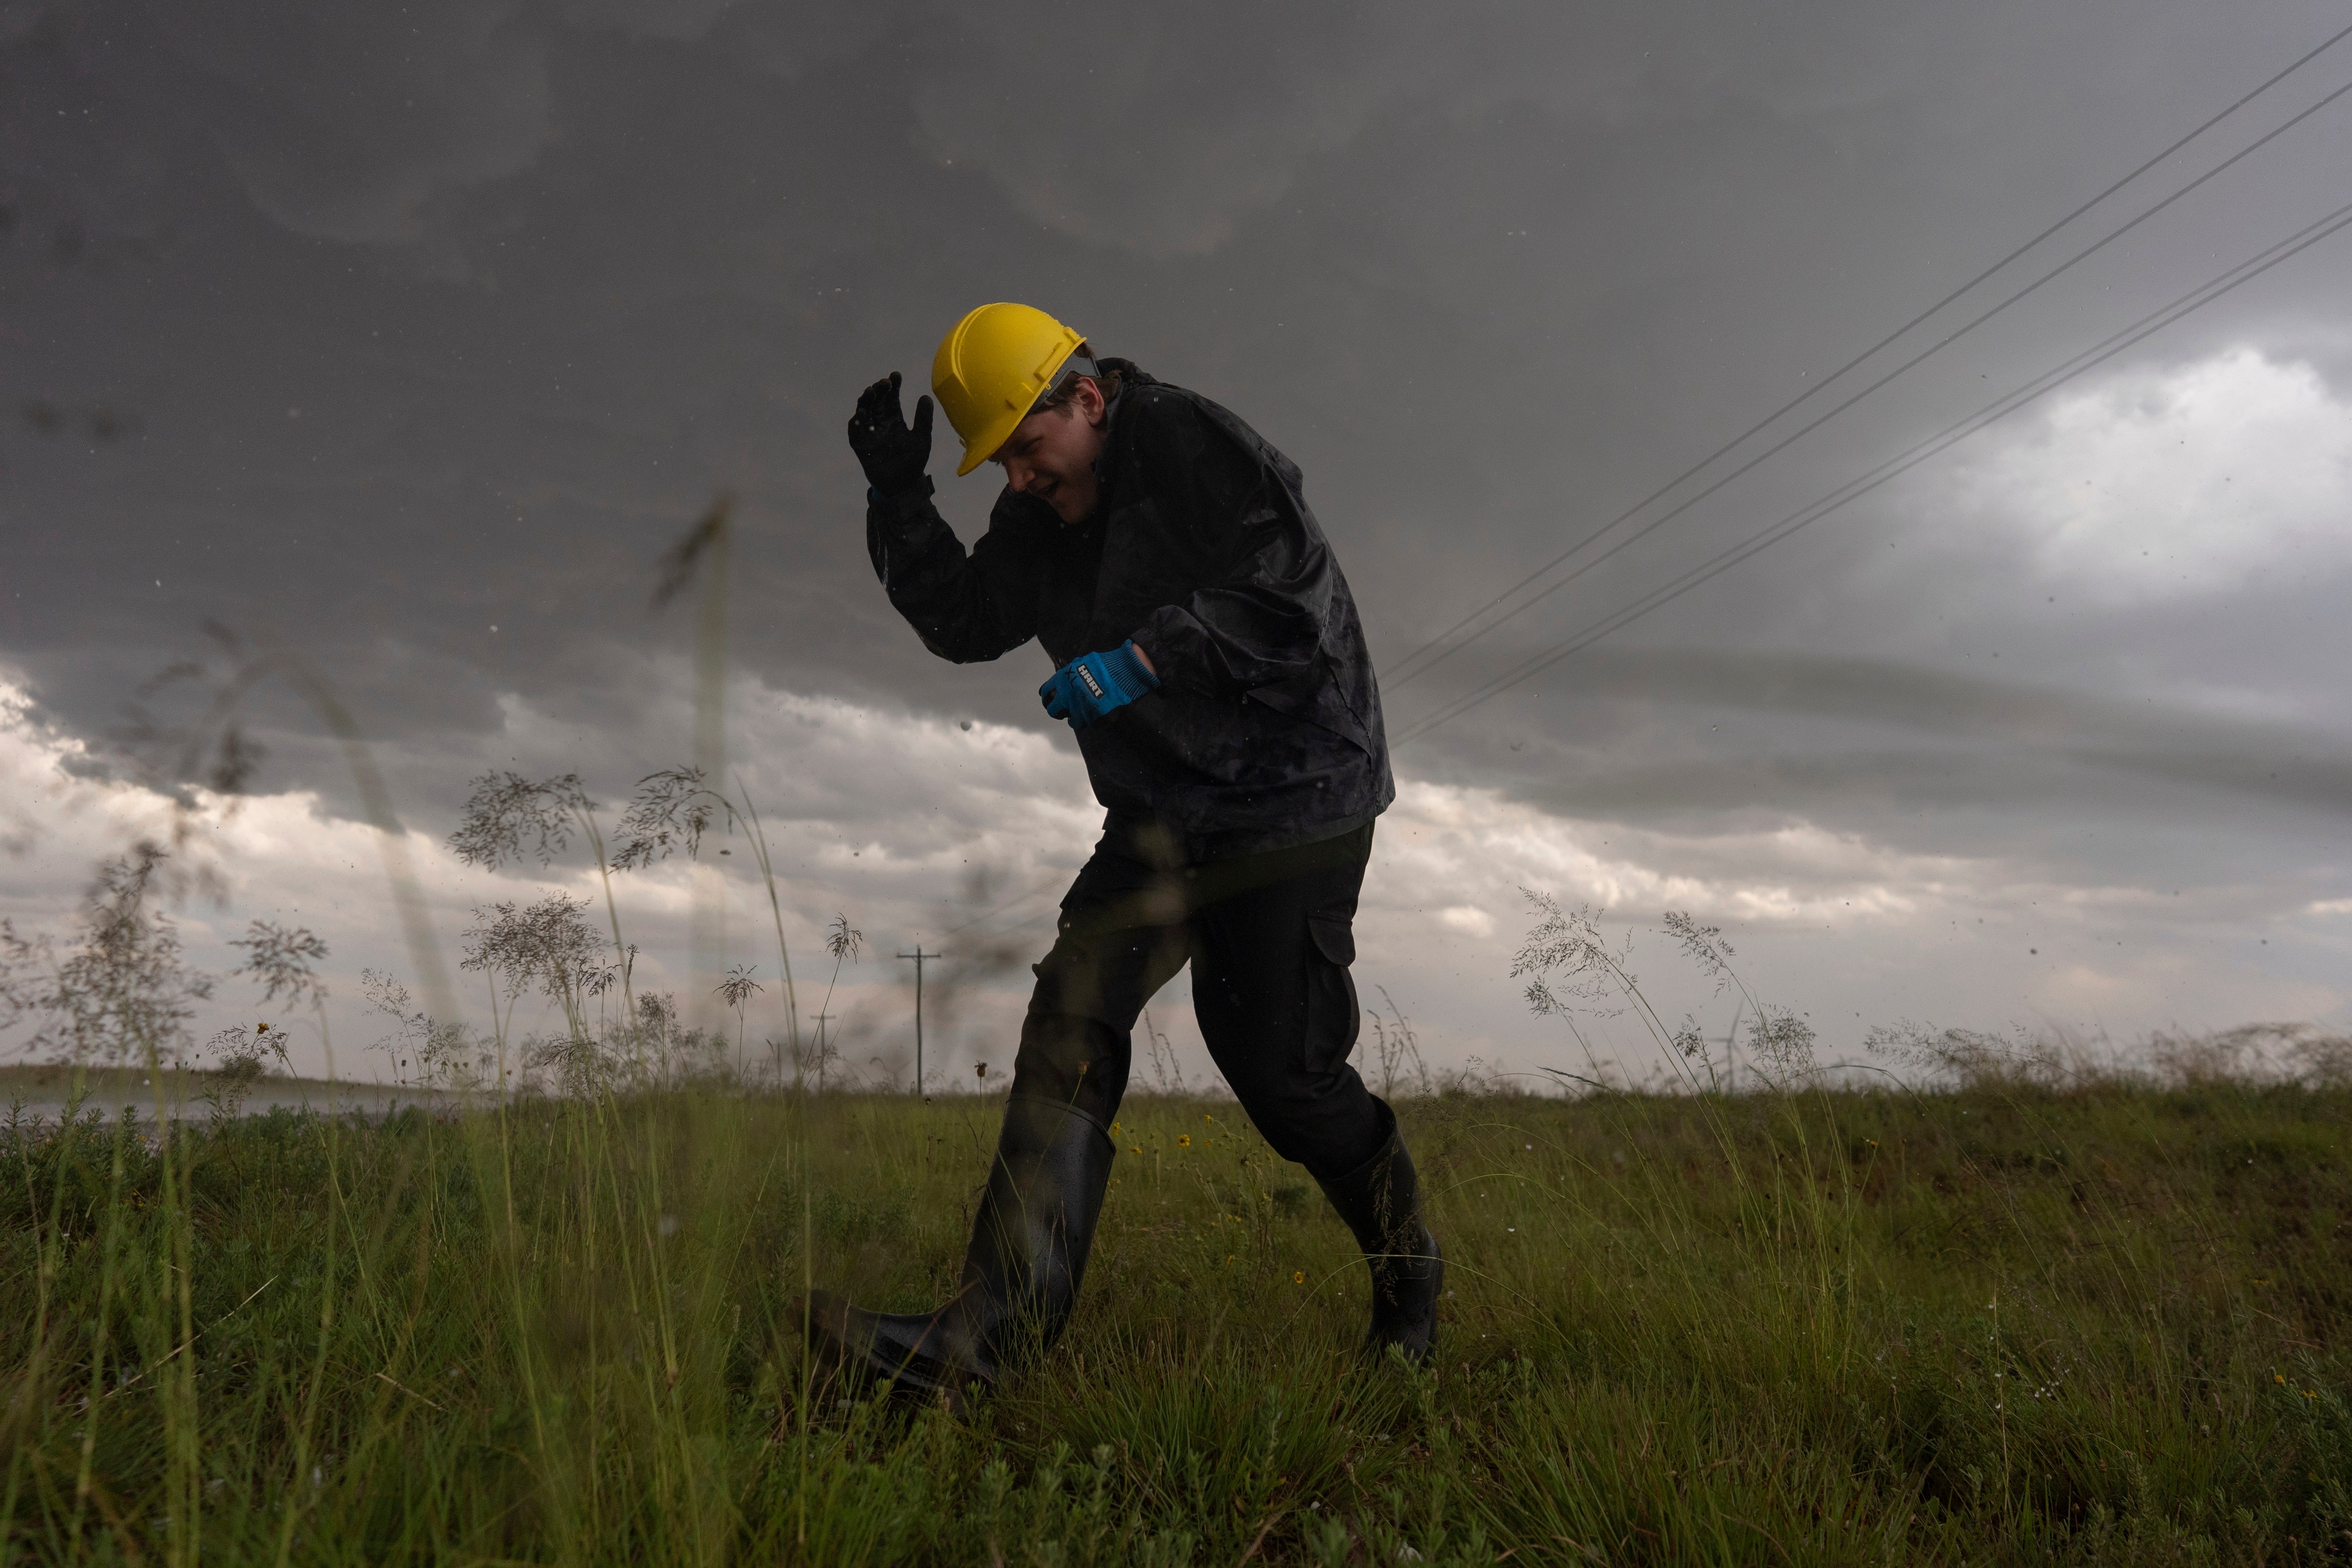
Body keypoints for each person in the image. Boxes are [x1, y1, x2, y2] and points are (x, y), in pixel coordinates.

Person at [806, 302, 1440, 1401]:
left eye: (1024, 446)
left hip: (1292, 800)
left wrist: (1147, 655)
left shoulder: (1190, 443)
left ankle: (1408, 1272)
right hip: (1159, 813)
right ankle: (988, 1340)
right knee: (1072, 1010)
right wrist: (898, 496)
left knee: (1278, 1074)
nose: (1016, 478)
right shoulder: (1042, 512)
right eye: (995, 462)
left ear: (1086, 400)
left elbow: (1291, 604)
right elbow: (965, 620)